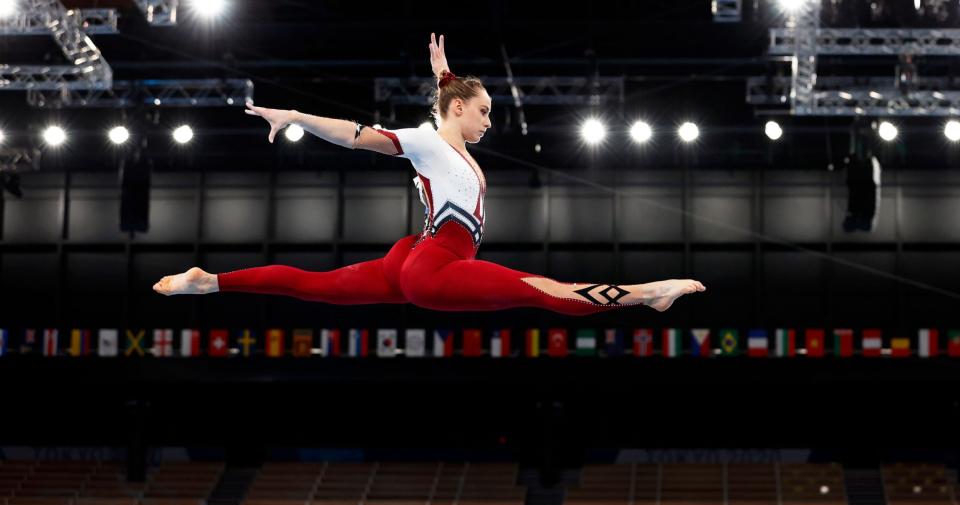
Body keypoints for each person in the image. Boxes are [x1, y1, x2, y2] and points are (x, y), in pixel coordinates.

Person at [153, 33, 705, 315]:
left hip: (417, 256)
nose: (490, 121)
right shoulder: (423, 141)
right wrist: (297, 116)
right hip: (435, 263)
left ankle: (211, 282)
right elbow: (353, 134)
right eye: (484, 111)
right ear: (460, 110)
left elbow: (447, 113)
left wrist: (444, 76)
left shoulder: (442, 138)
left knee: (314, 285)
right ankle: (649, 293)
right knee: (546, 291)